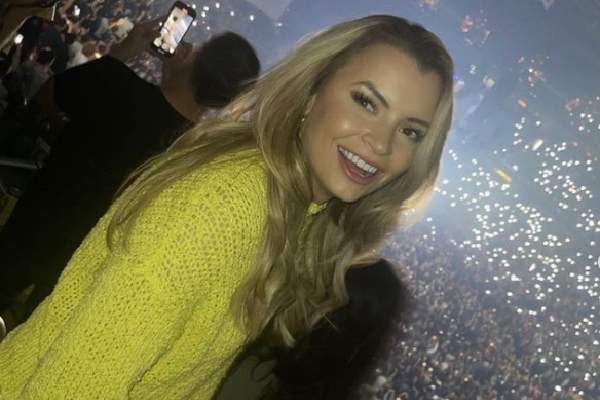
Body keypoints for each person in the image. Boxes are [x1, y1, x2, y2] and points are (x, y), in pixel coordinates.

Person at [0, 14, 454, 400]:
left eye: (410, 131)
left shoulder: (291, 209)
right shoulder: (227, 203)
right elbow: (69, 385)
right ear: (312, 92)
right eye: (366, 101)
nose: (381, 143)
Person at [0, 20, 260, 326]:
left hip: (35, 225)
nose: (187, 48)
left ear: (195, 63)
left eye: (197, 49)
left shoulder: (118, 84)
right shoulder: (189, 155)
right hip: (83, 271)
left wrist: (124, 51)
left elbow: (49, 94)